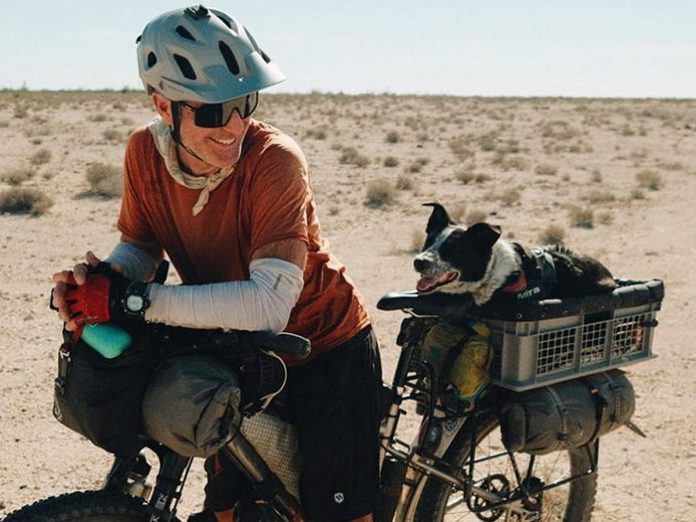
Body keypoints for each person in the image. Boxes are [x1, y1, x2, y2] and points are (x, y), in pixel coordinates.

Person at [50, 5, 382, 522]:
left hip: (324, 344)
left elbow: (271, 304)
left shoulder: (275, 161)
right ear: (164, 107)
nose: (234, 125)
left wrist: (135, 300)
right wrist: (105, 280)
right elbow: (140, 243)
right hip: (232, 339)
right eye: (210, 112)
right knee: (229, 506)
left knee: (338, 512)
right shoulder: (143, 152)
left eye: (243, 102)